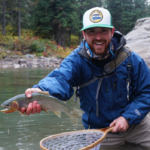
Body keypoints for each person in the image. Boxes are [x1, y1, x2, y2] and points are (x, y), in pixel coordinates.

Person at [20, 7, 150, 148]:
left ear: (112, 32)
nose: (98, 37)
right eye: (92, 32)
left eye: (103, 31)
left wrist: (128, 117)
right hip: (99, 131)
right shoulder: (76, 61)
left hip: (137, 125)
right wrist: (41, 90)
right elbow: (61, 78)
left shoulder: (132, 60)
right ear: (84, 34)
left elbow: (147, 91)